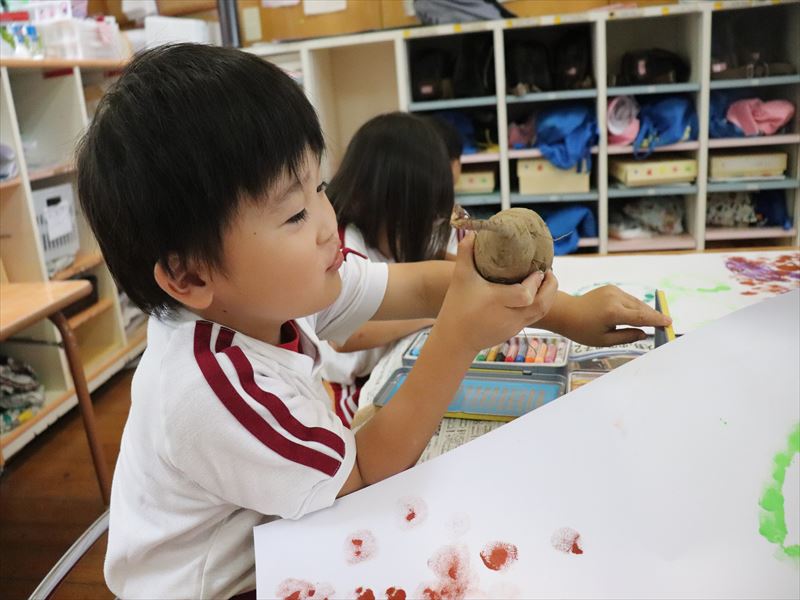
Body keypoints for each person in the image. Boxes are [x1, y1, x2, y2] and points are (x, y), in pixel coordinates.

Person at [76, 44, 669, 599]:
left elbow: (417, 284)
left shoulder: (267, 291)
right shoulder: (210, 386)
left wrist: (567, 312)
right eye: (295, 213)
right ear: (190, 275)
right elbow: (363, 470)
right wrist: (458, 337)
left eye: (320, 187)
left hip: (282, 530)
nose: (327, 222)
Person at [319, 112, 458, 425]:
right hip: (353, 391)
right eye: (418, 220)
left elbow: (430, 257)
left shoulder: (389, 233)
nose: (426, 229)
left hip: (389, 364)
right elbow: (349, 335)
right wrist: (433, 312)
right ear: (370, 202)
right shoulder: (342, 244)